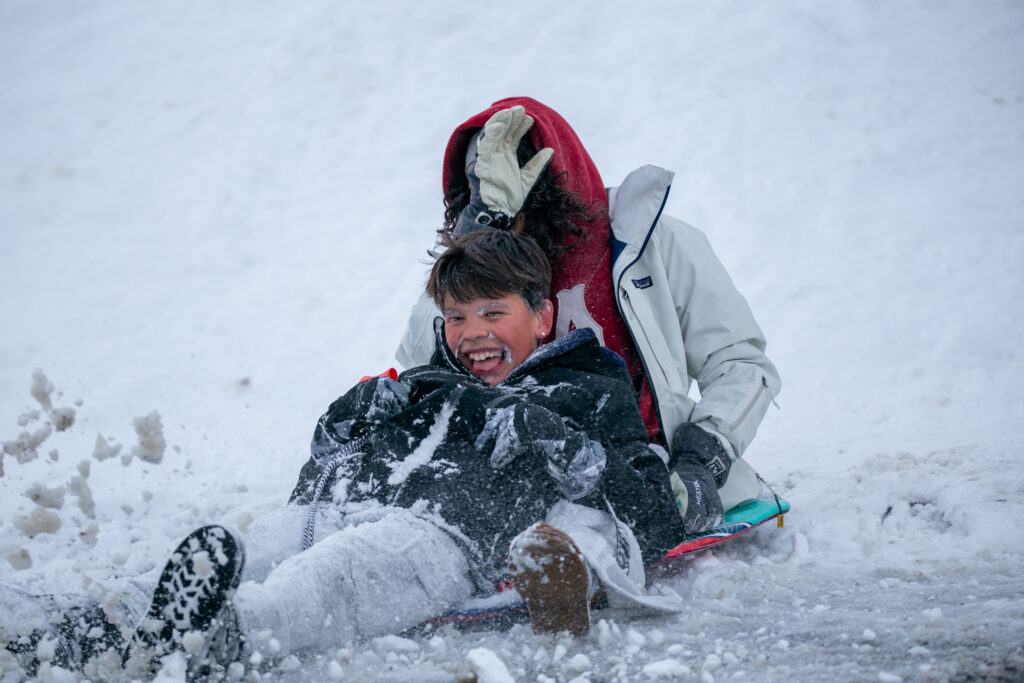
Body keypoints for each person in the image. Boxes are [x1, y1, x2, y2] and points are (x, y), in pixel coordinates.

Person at [2, 231, 687, 680]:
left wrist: (565, 446)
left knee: (342, 572)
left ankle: (230, 636)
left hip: (446, 534)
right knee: (262, 541)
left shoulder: (585, 385)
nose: (471, 333)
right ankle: (111, 624)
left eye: (491, 311)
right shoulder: (429, 383)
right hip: (349, 501)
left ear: (542, 315)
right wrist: (346, 421)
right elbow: (318, 468)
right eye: (455, 317)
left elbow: (651, 509)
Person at [398, 97, 782, 536]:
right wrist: (477, 244)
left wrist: (703, 458)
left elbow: (740, 363)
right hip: (507, 492)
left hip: (651, 479)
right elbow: (422, 377)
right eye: (480, 197)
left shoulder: (652, 244)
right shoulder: (470, 274)